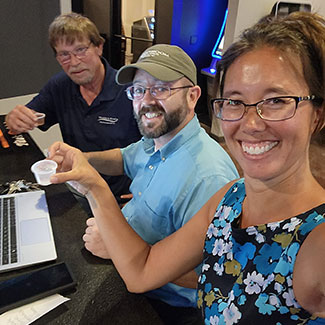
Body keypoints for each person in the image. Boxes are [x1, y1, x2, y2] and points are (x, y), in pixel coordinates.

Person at [48, 11, 325, 324]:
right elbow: (142, 269)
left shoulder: (317, 239)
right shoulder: (229, 198)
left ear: (317, 114)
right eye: (234, 101)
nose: (250, 123)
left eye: (276, 100)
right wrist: (93, 182)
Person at [59, 43, 238, 323]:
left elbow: (213, 276)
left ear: (192, 96)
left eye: (161, 88)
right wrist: (82, 159)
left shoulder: (208, 178)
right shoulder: (158, 138)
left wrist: (118, 251)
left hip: (164, 306)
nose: (146, 100)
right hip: (123, 264)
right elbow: (124, 158)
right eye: (139, 90)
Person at [5, 12, 141, 208]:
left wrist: (147, 190)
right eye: (64, 54)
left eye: (81, 50)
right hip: (81, 191)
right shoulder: (59, 86)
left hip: (123, 199)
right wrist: (15, 119)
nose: (74, 62)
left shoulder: (129, 89)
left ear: (99, 47)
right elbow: (32, 117)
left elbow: (161, 147)